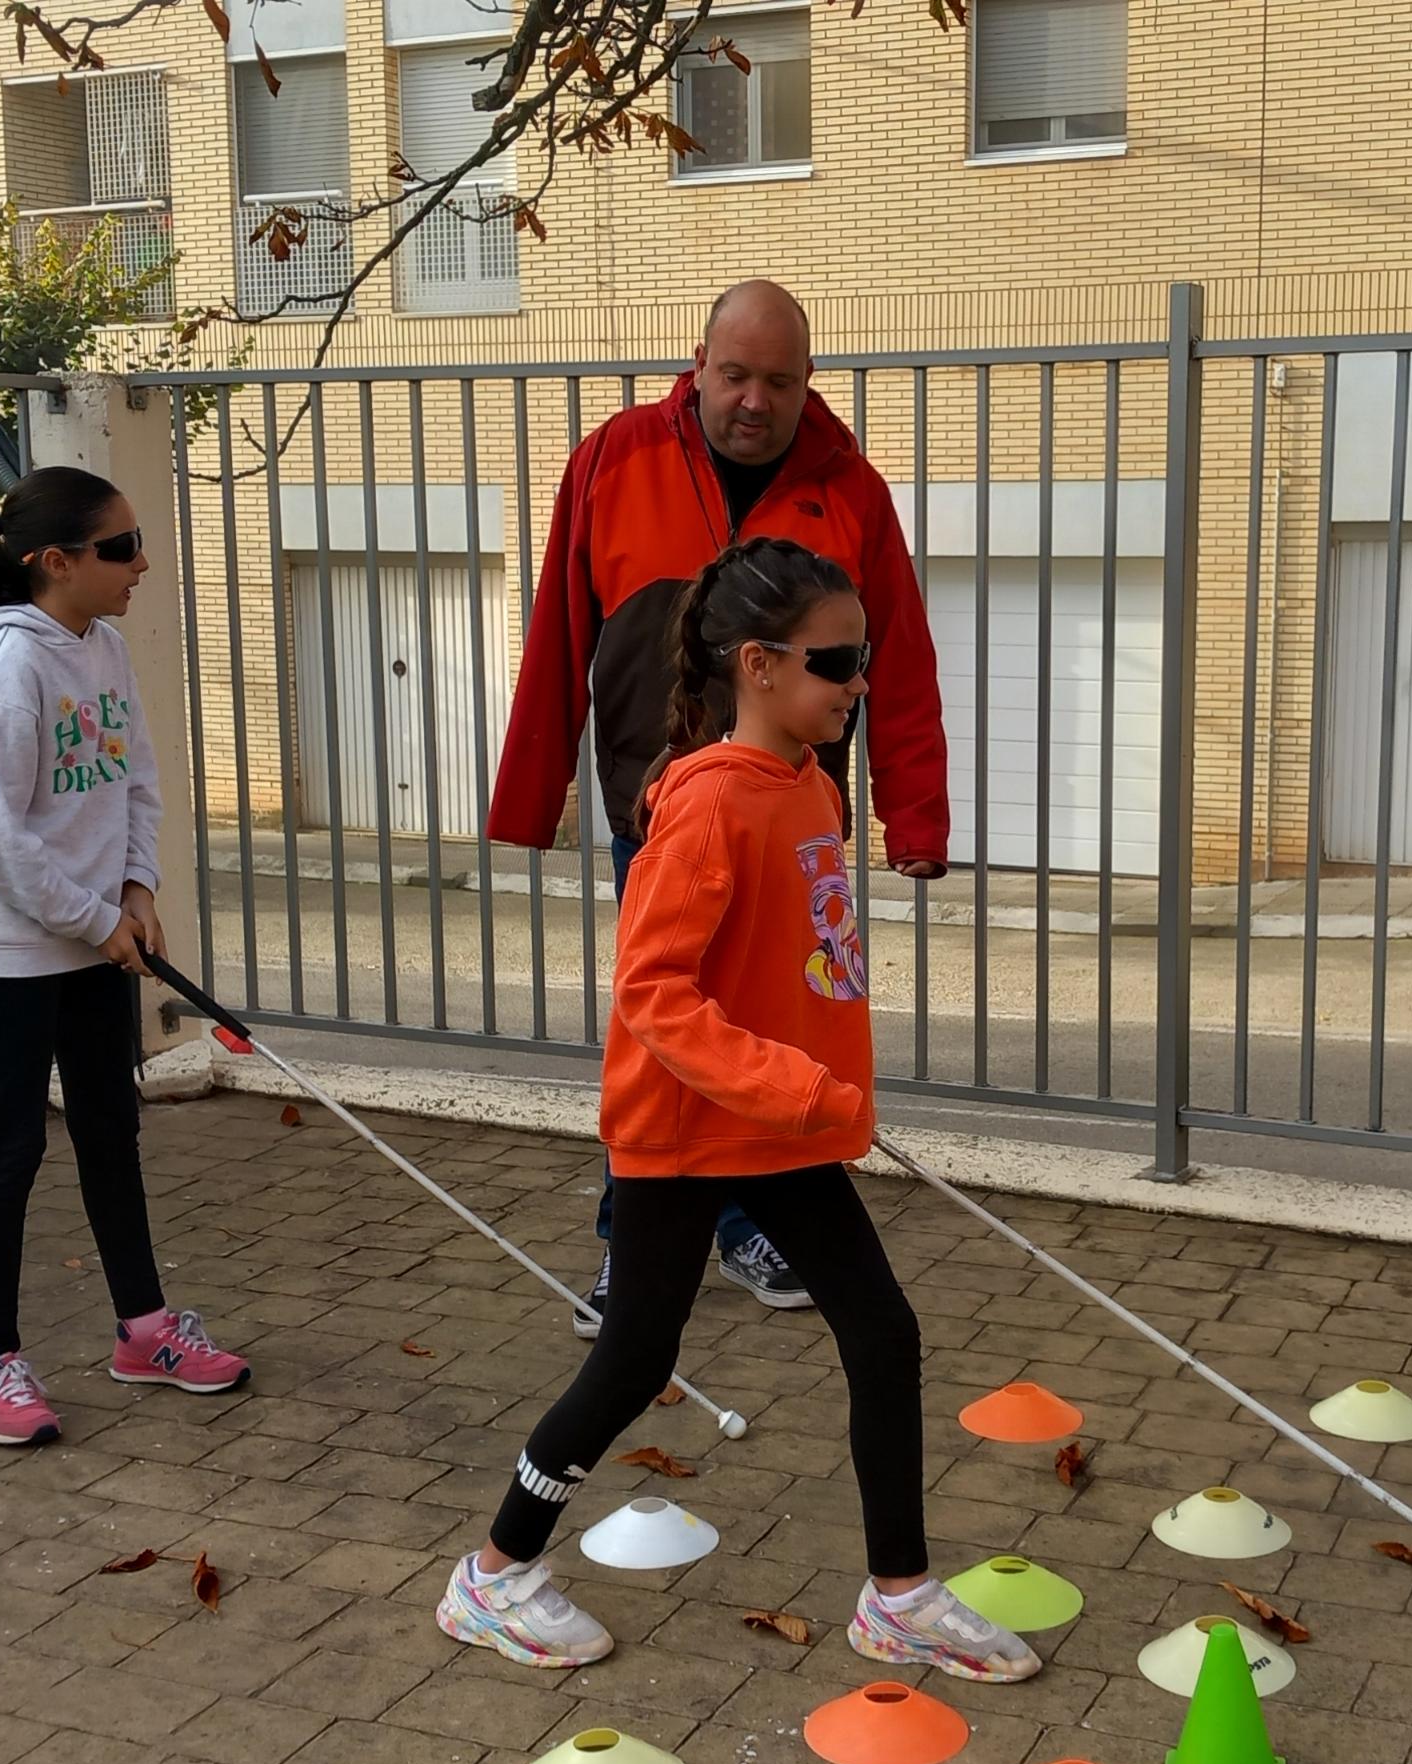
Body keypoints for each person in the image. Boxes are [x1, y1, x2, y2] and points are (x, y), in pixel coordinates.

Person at [437, 538, 1032, 1684]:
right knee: (634, 1358)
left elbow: (796, 965)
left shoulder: (810, 784)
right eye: (836, 661)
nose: (860, 681)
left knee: (883, 1330)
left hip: (774, 1126)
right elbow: (654, 993)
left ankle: (899, 1595)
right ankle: (493, 1573)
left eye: (864, 656)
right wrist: (796, 1086)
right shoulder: (709, 805)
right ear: (758, 665)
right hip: (686, 1129)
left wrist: (811, 1093)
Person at [489, 279, 951, 1339]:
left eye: (779, 382)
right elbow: (560, 630)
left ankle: (748, 1223)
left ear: (808, 382)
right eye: (735, 374)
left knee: (766, 1024)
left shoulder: (851, 488)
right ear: (697, 364)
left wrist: (916, 816)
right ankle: (637, 1237)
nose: (754, 400)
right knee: (664, 1023)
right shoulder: (613, 460)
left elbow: (898, 658)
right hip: (655, 808)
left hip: (787, 817)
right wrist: (530, 797)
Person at [0, 464, 249, 1447]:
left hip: (96, 933)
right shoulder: (0, 670)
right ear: (54, 561)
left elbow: (135, 782)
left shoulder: (102, 646)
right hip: (8, 952)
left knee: (112, 1128)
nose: (141, 563)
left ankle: (145, 1330)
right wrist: (90, 916)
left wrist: (138, 892)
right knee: (14, 1145)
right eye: (121, 548)